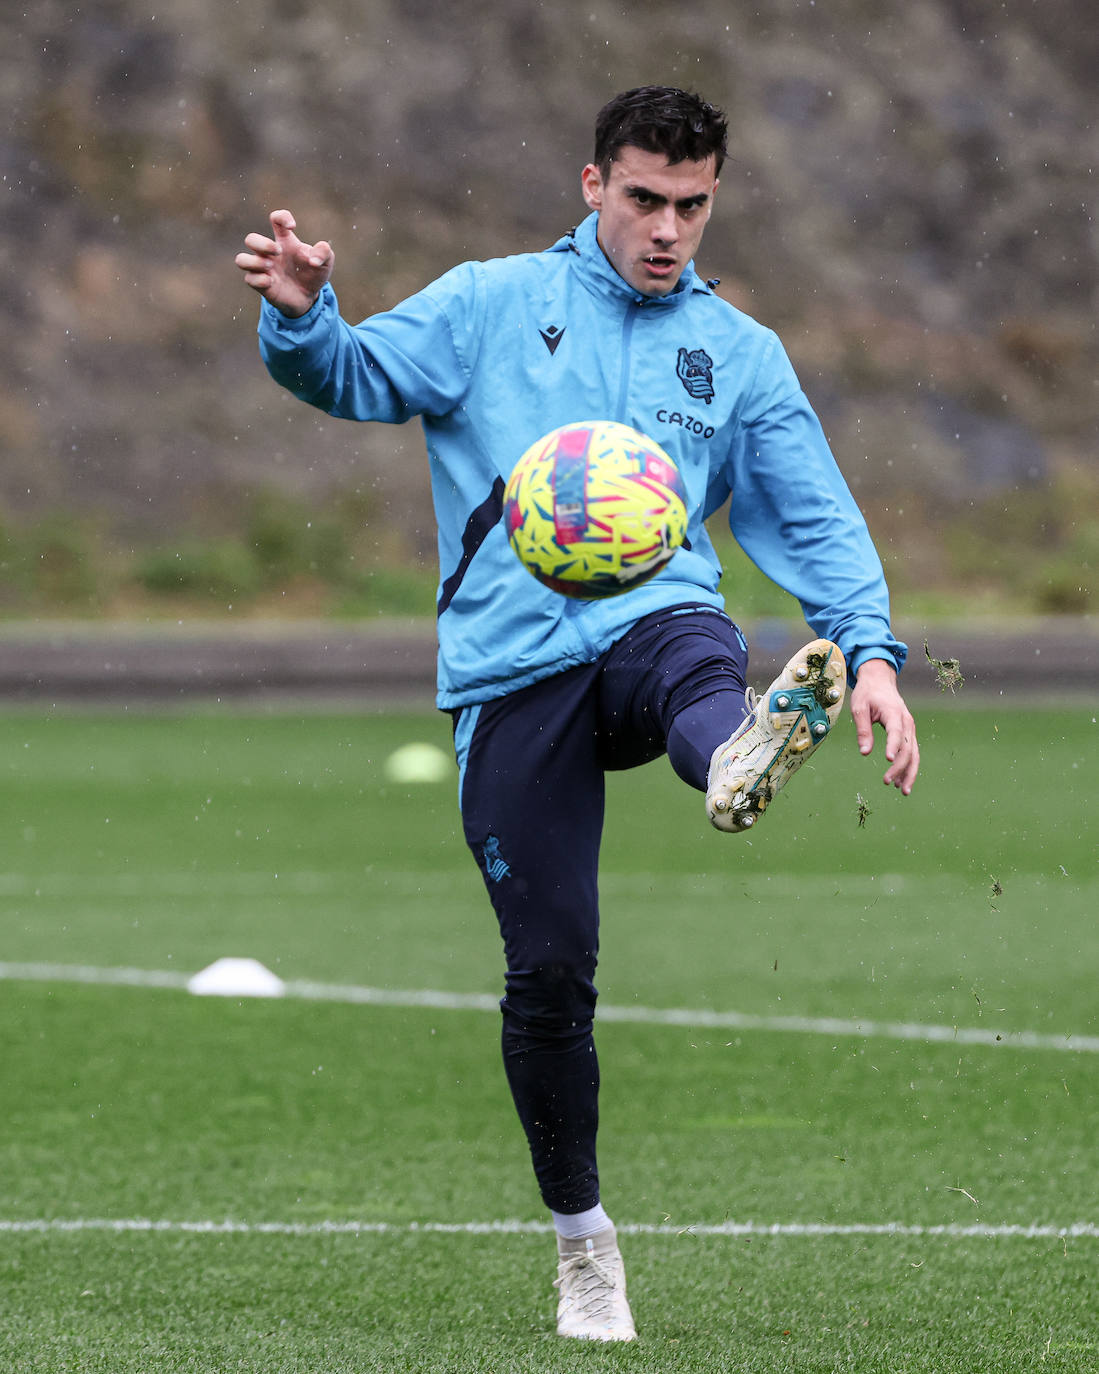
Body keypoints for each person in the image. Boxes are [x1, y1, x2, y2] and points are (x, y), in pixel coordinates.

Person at [236, 85, 919, 1342]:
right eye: (647, 198)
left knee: (694, 659)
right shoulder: (493, 301)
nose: (669, 228)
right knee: (549, 974)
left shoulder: (740, 356)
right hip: (510, 674)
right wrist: (301, 316)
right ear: (593, 183)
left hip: (656, 631)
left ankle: (736, 757)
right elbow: (356, 373)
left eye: (694, 205)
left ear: (714, 199)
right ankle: (582, 1245)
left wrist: (869, 654)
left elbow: (815, 515)